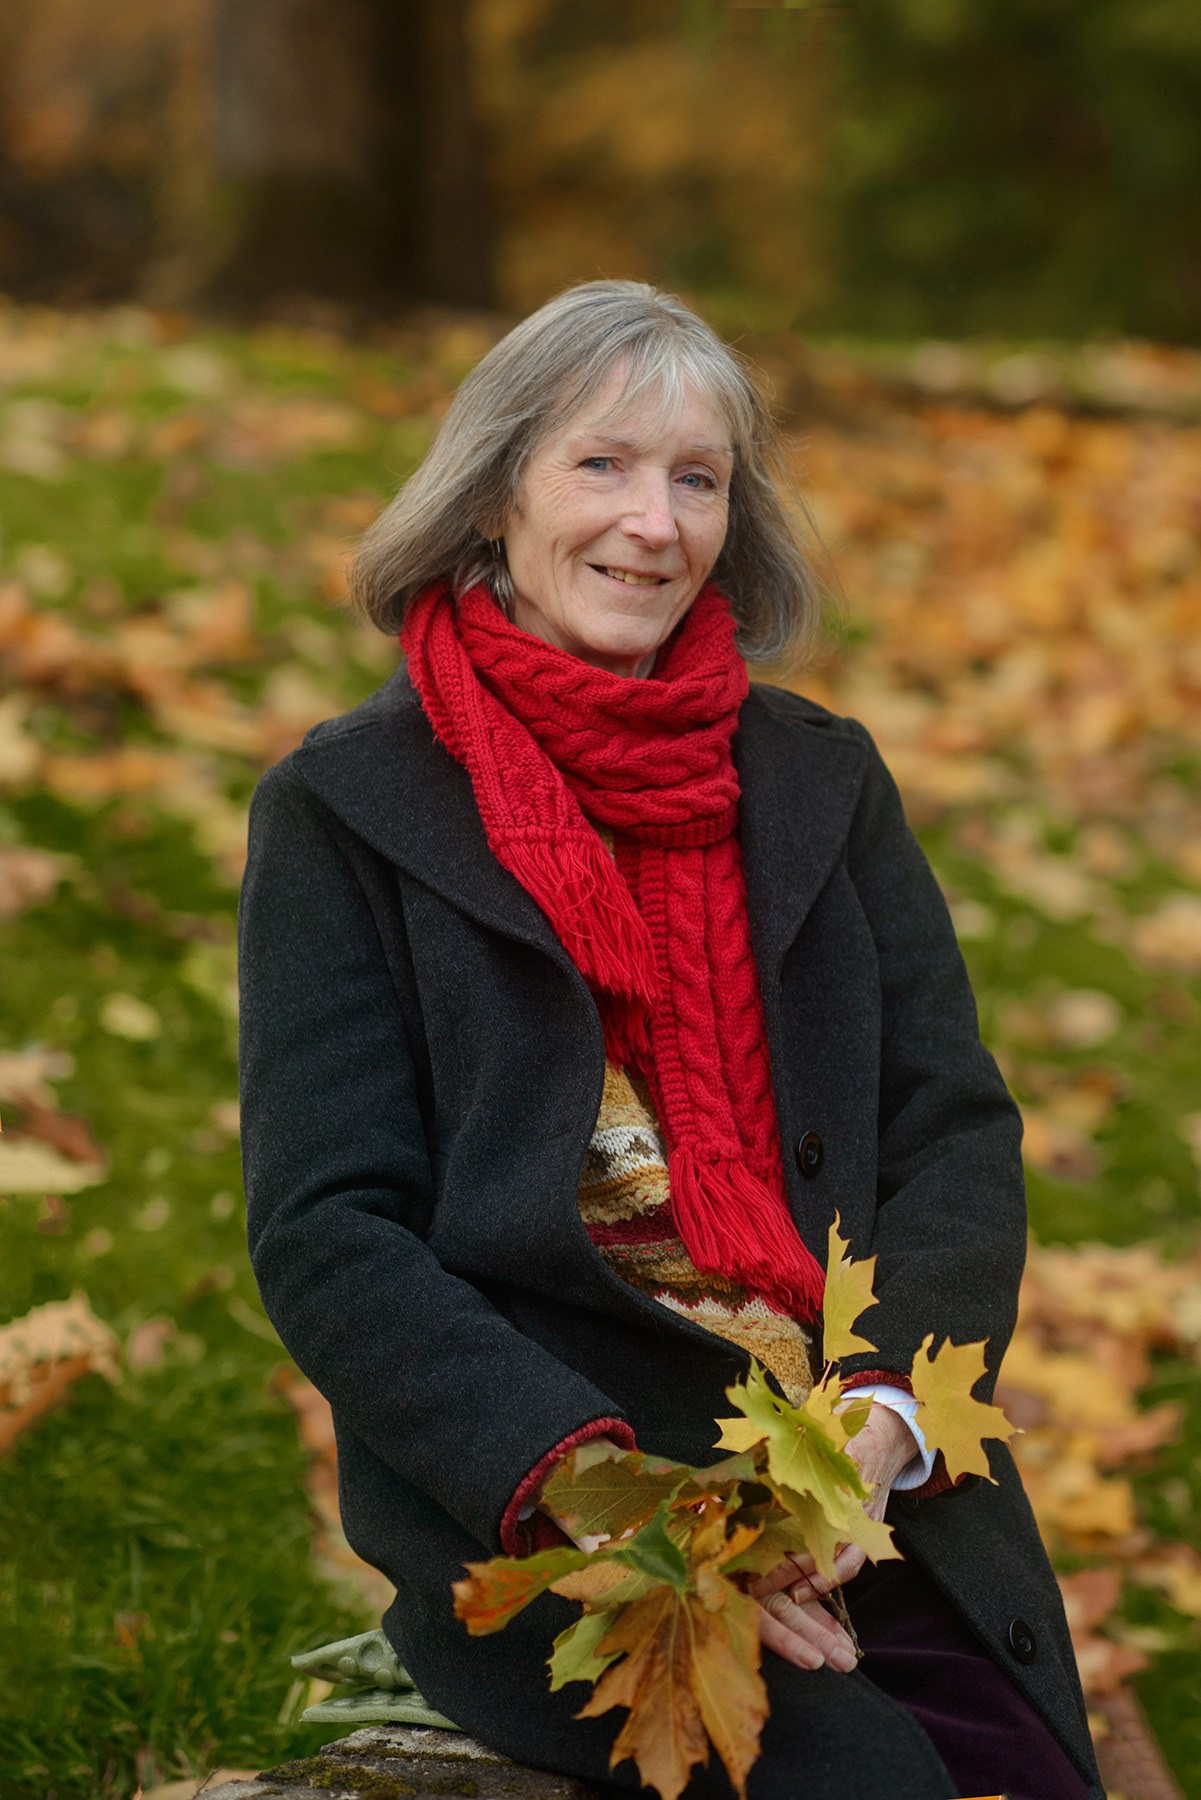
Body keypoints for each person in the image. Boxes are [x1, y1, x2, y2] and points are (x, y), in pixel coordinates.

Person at [238, 280, 1101, 1800]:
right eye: (601, 465)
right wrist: (647, 1514)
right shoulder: (342, 809)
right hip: (563, 1501)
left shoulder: (819, 779)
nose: (652, 523)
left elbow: (951, 1131)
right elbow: (329, 1234)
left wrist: (877, 1433)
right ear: (494, 493)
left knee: (1017, 1768)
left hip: (850, 1459)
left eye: (695, 479)